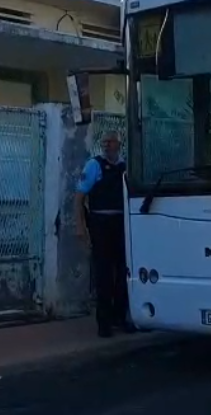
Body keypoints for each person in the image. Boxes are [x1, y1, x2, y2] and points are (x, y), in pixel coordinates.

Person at [75, 132, 135, 338]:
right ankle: (104, 322)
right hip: (100, 224)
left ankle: (120, 317)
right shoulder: (94, 165)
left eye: (110, 142)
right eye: (104, 142)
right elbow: (79, 197)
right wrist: (80, 226)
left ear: (119, 144)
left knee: (124, 272)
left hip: (122, 223)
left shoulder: (125, 167)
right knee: (104, 274)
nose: (107, 145)